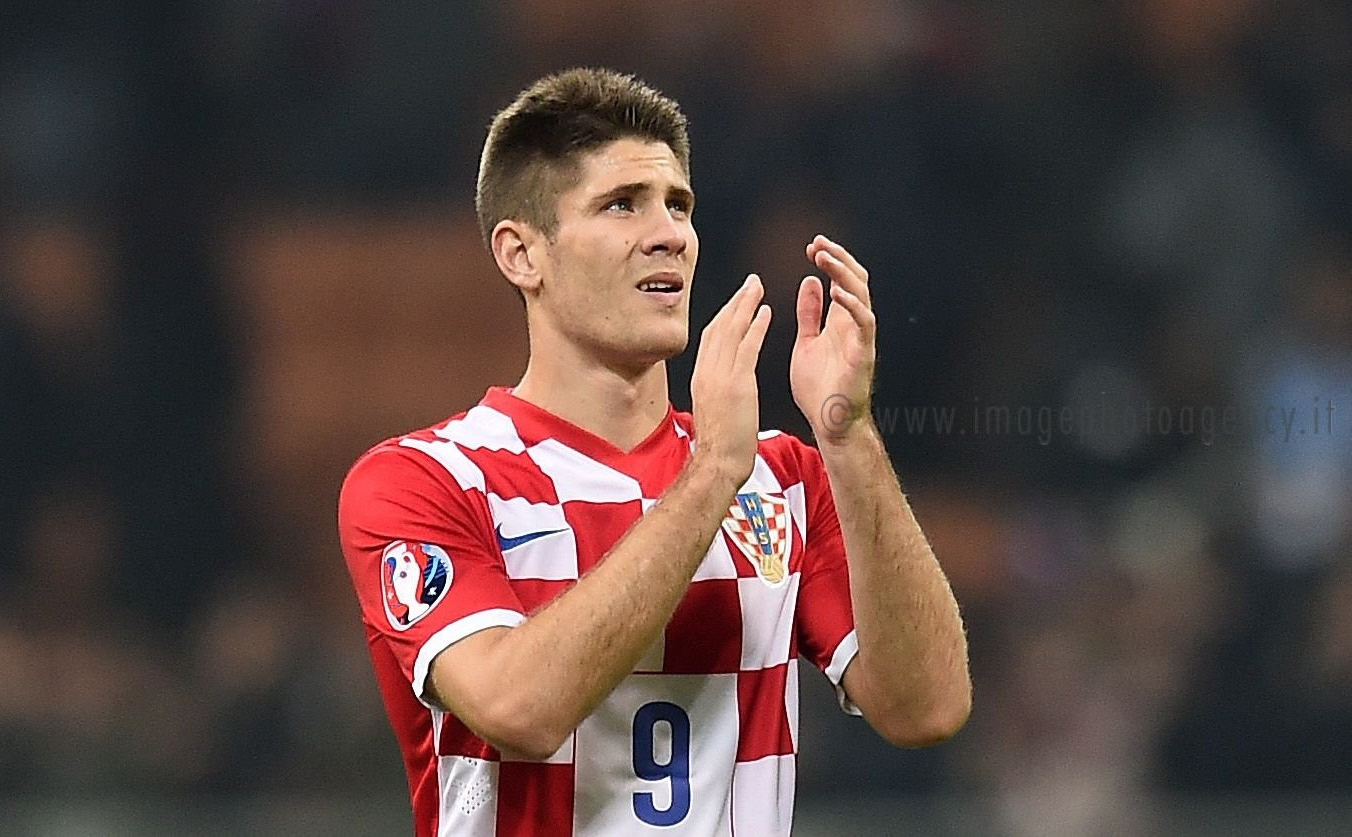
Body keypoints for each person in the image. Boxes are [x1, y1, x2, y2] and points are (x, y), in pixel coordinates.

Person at [338, 67, 971, 836]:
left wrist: (848, 433)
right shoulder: (425, 482)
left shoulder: (782, 481)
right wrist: (712, 474)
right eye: (621, 204)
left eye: (678, 204)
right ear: (521, 254)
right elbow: (519, 708)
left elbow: (926, 707)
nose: (669, 233)